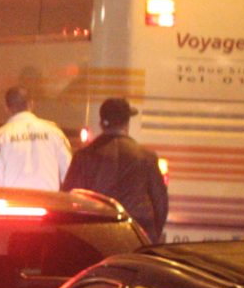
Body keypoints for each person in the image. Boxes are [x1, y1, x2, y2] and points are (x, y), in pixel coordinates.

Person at [65, 96, 169, 240]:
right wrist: (151, 237)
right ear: (126, 124)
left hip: (97, 234)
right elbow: (160, 204)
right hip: (136, 235)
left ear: (101, 124)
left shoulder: (84, 156)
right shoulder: (146, 157)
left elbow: (69, 198)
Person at [0, 86, 72, 192]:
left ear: (6, 108)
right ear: (31, 104)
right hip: (48, 200)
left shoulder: (0, 137)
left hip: (14, 201)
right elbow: (70, 174)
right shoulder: (55, 133)